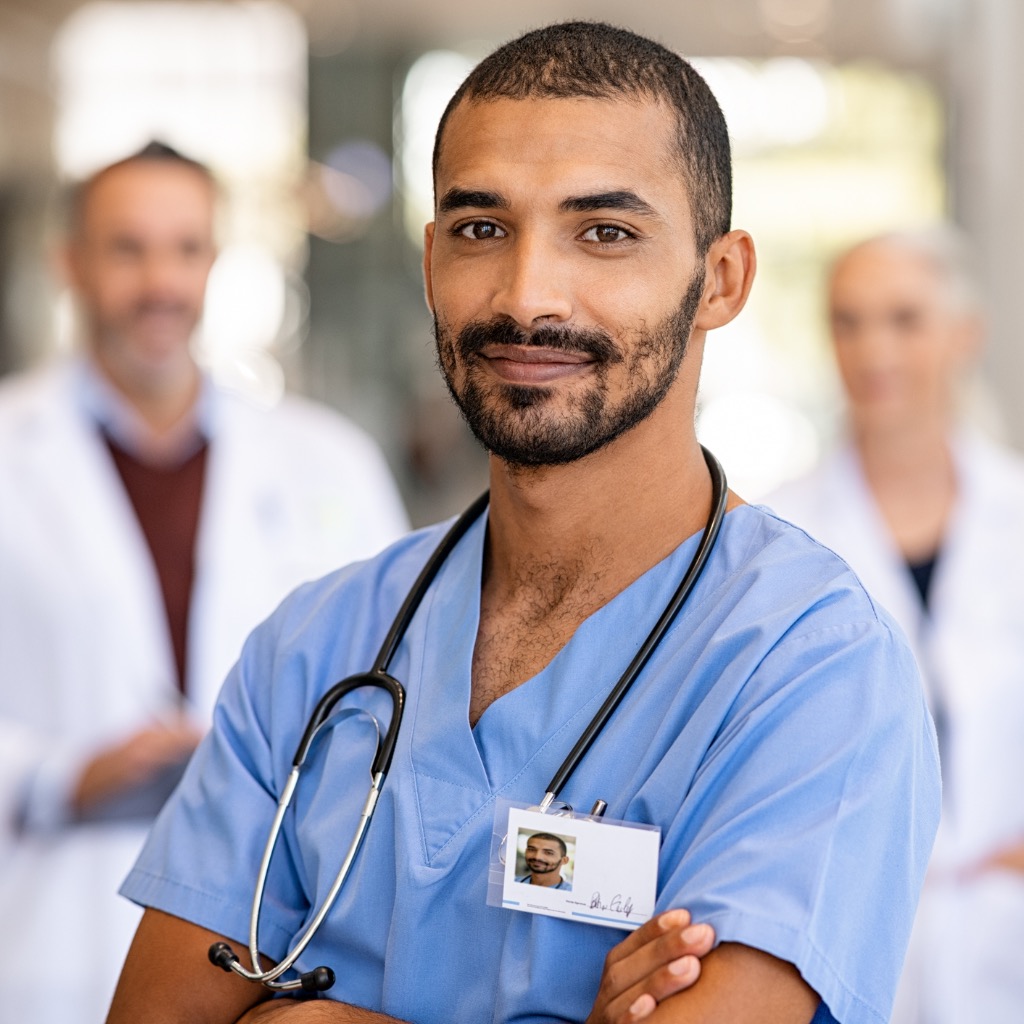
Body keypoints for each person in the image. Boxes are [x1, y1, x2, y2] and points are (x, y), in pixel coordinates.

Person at [108, 23, 940, 1024]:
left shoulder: (811, 664)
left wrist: (307, 1015)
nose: (526, 295)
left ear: (720, 280)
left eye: (604, 232)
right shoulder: (318, 645)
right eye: (480, 228)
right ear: (429, 261)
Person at [0, 142, 409, 1024]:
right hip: (41, 935)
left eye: (186, 249)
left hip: (270, 947)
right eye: (127, 248)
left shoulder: (325, 461)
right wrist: (59, 775)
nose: (160, 282)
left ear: (214, 263)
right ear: (69, 262)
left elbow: (401, 690)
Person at [766, 226, 1024, 1024]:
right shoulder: (777, 536)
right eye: (849, 320)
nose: (872, 348)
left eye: (903, 319)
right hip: (840, 941)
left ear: (963, 335)